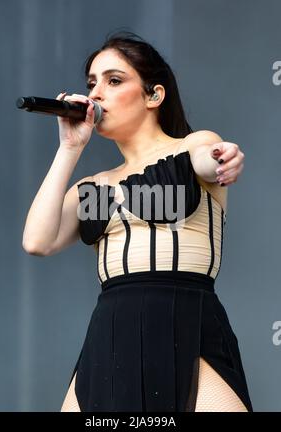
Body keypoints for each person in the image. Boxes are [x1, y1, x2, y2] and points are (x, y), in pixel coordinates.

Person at [22, 31, 253, 412]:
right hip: (112, 330)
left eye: (114, 81)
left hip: (187, 323)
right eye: (92, 83)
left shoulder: (190, 147)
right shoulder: (91, 186)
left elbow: (210, 159)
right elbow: (37, 241)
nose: (95, 94)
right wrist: (70, 147)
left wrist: (225, 157)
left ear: (153, 95)